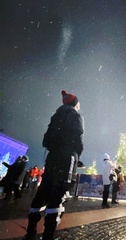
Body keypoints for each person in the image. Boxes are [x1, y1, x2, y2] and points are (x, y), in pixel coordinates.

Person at [24, 90, 84, 240]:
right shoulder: (75, 115)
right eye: (78, 103)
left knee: (44, 189)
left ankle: (30, 232)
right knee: (58, 192)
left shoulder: (56, 115)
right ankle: (48, 235)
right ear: (74, 104)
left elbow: (46, 140)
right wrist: (77, 154)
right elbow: (79, 138)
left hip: (52, 157)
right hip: (67, 156)